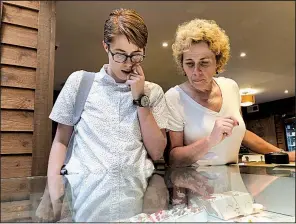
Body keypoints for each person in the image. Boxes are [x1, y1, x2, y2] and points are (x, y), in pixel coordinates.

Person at [47, 8, 168, 176]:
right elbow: (61, 141)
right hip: (84, 193)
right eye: (120, 54)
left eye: (136, 55)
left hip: (136, 193)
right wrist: (54, 191)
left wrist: (140, 98)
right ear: (106, 46)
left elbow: (157, 152)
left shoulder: (153, 92)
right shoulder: (80, 83)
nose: (128, 63)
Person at [165, 18, 295, 167]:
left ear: (218, 62)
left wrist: (283, 154)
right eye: (189, 64)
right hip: (198, 185)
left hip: (234, 183)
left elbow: (241, 132)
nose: (196, 72)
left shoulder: (230, 87)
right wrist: (210, 141)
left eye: (204, 62)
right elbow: (174, 159)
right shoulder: (174, 97)